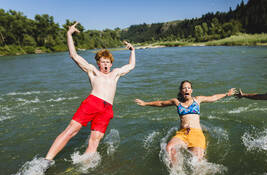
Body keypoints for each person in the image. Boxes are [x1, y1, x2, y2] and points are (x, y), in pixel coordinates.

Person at [45, 22, 135, 162]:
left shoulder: (115, 73)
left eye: (107, 62)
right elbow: (74, 55)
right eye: (102, 62)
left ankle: (82, 168)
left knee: (95, 140)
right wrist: (69, 34)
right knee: (71, 131)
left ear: (111, 64)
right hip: (93, 102)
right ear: (98, 63)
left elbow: (131, 66)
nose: (105, 64)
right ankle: (47, 160)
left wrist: (132, 51)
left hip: (107, 109)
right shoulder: (93, 71)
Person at [135, 80, 235, 166]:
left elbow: (213, 97)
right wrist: (145, 103)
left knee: (198, 162)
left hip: (196, 134)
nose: (186, 89)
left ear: (192, 90)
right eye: (184, 88)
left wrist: (227, 94)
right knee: (169, 148)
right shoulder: (177, 102)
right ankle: (177, 173)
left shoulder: (197, 100)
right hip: (182, 133)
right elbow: (161, 103)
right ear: (181, 91)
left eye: (188, 88)